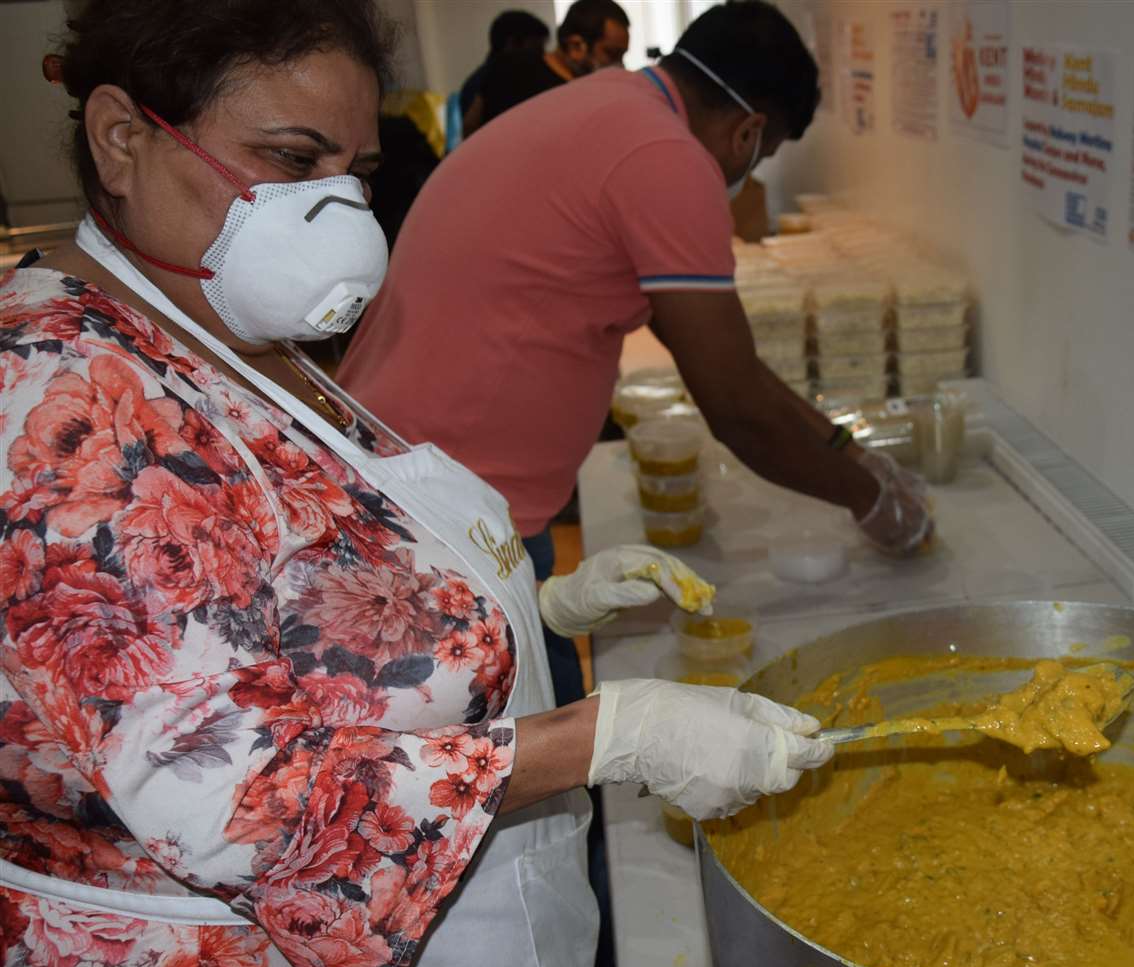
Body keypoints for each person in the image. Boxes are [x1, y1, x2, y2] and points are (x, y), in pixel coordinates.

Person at [0, 2, 833, 967]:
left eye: (352, 170)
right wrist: (606, 738)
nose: (337, 213)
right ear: (123, 137)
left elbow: (283, 601)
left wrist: (520, 617)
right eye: (288, 159)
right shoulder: (54, 405)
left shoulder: (208, 323)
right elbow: (244, 804)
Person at [341, 0, 934, 705]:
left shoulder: (612, 106)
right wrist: (873, 502)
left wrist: (844, 445)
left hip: (404, 457)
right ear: (747, 131)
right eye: (764, 153)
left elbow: (739, 368)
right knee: (516, 737)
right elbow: (735, 406)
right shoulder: (666, 159)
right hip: (454, 503)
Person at [462, 0, 630, 137]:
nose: (620, 66)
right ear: (576, 46)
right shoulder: (511, 71)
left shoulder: (590, 90)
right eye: (611, 53)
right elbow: (473, 128)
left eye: (622, 55)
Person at [459, 9, 551, 124]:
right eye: (537, 49)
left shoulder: (480, 82)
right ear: (512, 44)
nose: (543, 56)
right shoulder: (485, 85)